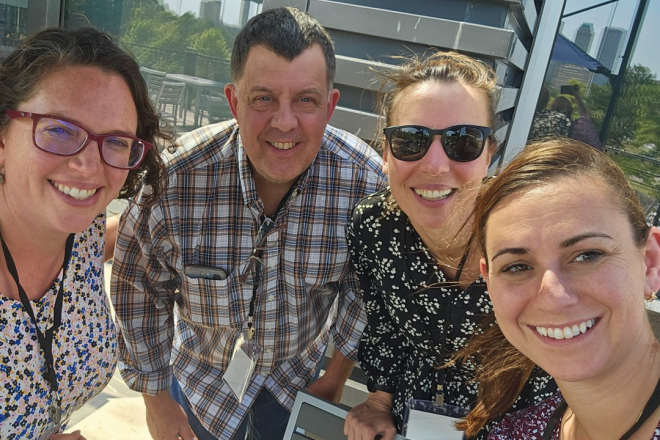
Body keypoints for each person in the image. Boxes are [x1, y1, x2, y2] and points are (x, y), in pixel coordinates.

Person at [111, 7, 387, 440]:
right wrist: (156, 400)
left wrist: (336, 376)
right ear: (234, 101)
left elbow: (363, 290)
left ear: (330, 106)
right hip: (202, 385)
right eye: (263, 98)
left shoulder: (364, 182)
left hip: (297, 381)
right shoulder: (176, 179)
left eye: (306, 100)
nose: (284, 122)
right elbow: (138, 287)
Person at [343, 51, 555, 440]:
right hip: (417, 416)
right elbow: (384, 325)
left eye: (463, 141)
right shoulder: (374, 227)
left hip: (521, 422)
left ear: (489, 154)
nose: (436, 165)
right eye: (410, 141)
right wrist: (378, 402)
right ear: (386, 153)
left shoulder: (531, 236)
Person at [0, 27, 167, 439]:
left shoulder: (83, 227)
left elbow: (102, 240)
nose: (89, 167)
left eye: (116, 141)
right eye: (58, 129)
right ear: (2, 136)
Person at [458, 139, 660, 439]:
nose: (554, 298)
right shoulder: (514, 434)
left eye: (587, 255)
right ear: (488, 282)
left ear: (650, 264)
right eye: (517, 266)